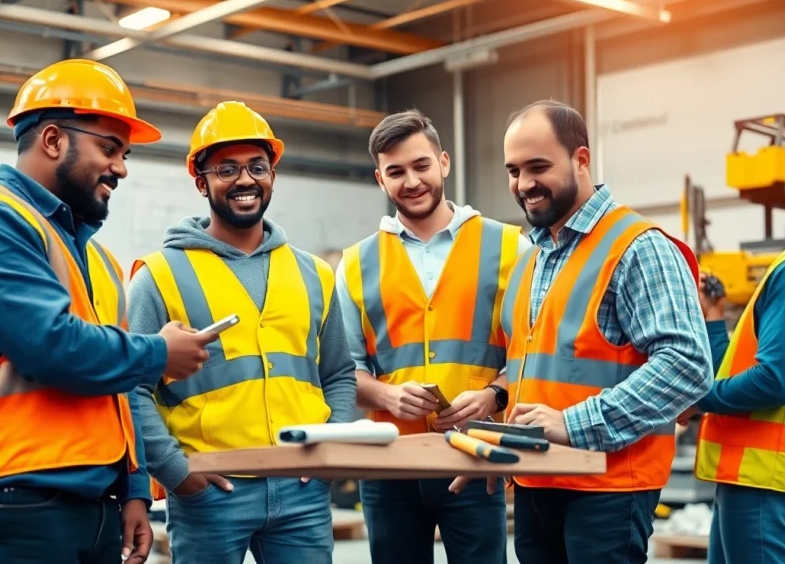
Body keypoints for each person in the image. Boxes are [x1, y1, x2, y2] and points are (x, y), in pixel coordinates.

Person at [0, 59, 219, 564]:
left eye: (124, 154)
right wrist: (159, 353)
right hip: (10, 500)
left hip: (92, 502)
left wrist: (133, 489)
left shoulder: (95, 258)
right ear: (52, 140)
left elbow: (118, 388)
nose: (122, 168)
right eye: (109, 149)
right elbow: (51, 346)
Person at [127, 100, 358, 564]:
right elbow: (132, 386)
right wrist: (176, 472)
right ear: (201, 181)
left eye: (257, 166)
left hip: (302, 490)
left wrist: (329, 449)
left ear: (273, 174)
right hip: (209, 491)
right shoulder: (158, 275)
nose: (245, 180)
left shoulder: (315, 274)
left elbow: (338, 373)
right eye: (227, 169)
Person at [498, 99, 713, 564]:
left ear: (581, 160)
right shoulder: (531, 259)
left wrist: (573, 425)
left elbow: (688, 365)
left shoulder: (638, 246)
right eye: (513, 171)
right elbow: (536, 368)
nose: (524, 184)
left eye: (538, 167)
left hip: (607, 488)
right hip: (535, 480)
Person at [336, 108, 531, 564]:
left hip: (474, 457)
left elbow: (531, 353)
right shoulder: (355, 264)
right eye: (395, 172)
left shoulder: (512, 248)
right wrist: (387, 395)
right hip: (389, 464)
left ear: (443, 162)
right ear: (380, 179)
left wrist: (493, 397)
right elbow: (344, 371)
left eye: (421, 165)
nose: (411, 181)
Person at [683, 240, 785, 564]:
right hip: (751, 479)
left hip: (768, 480)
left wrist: (697, 400)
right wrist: (713, 316)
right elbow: (727, 374)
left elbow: (774, 381)